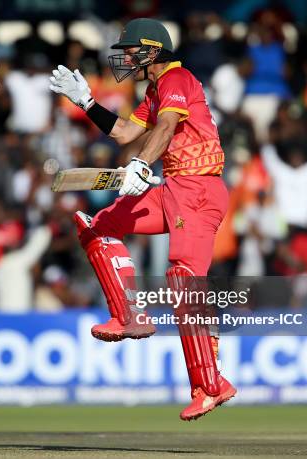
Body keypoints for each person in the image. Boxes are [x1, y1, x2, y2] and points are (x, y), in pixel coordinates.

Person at [50, 18, 235, 420]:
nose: (126, 57)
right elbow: (122, 132)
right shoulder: (155, 89)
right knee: (98, 226)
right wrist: (86, 103)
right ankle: (129, 315)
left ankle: (211, 385)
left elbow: (166, 127)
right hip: (175, 189)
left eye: (132, 50)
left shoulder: (177, 77)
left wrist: (139, 165)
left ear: (152, 50)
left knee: (184, 280)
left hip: (199, 190)